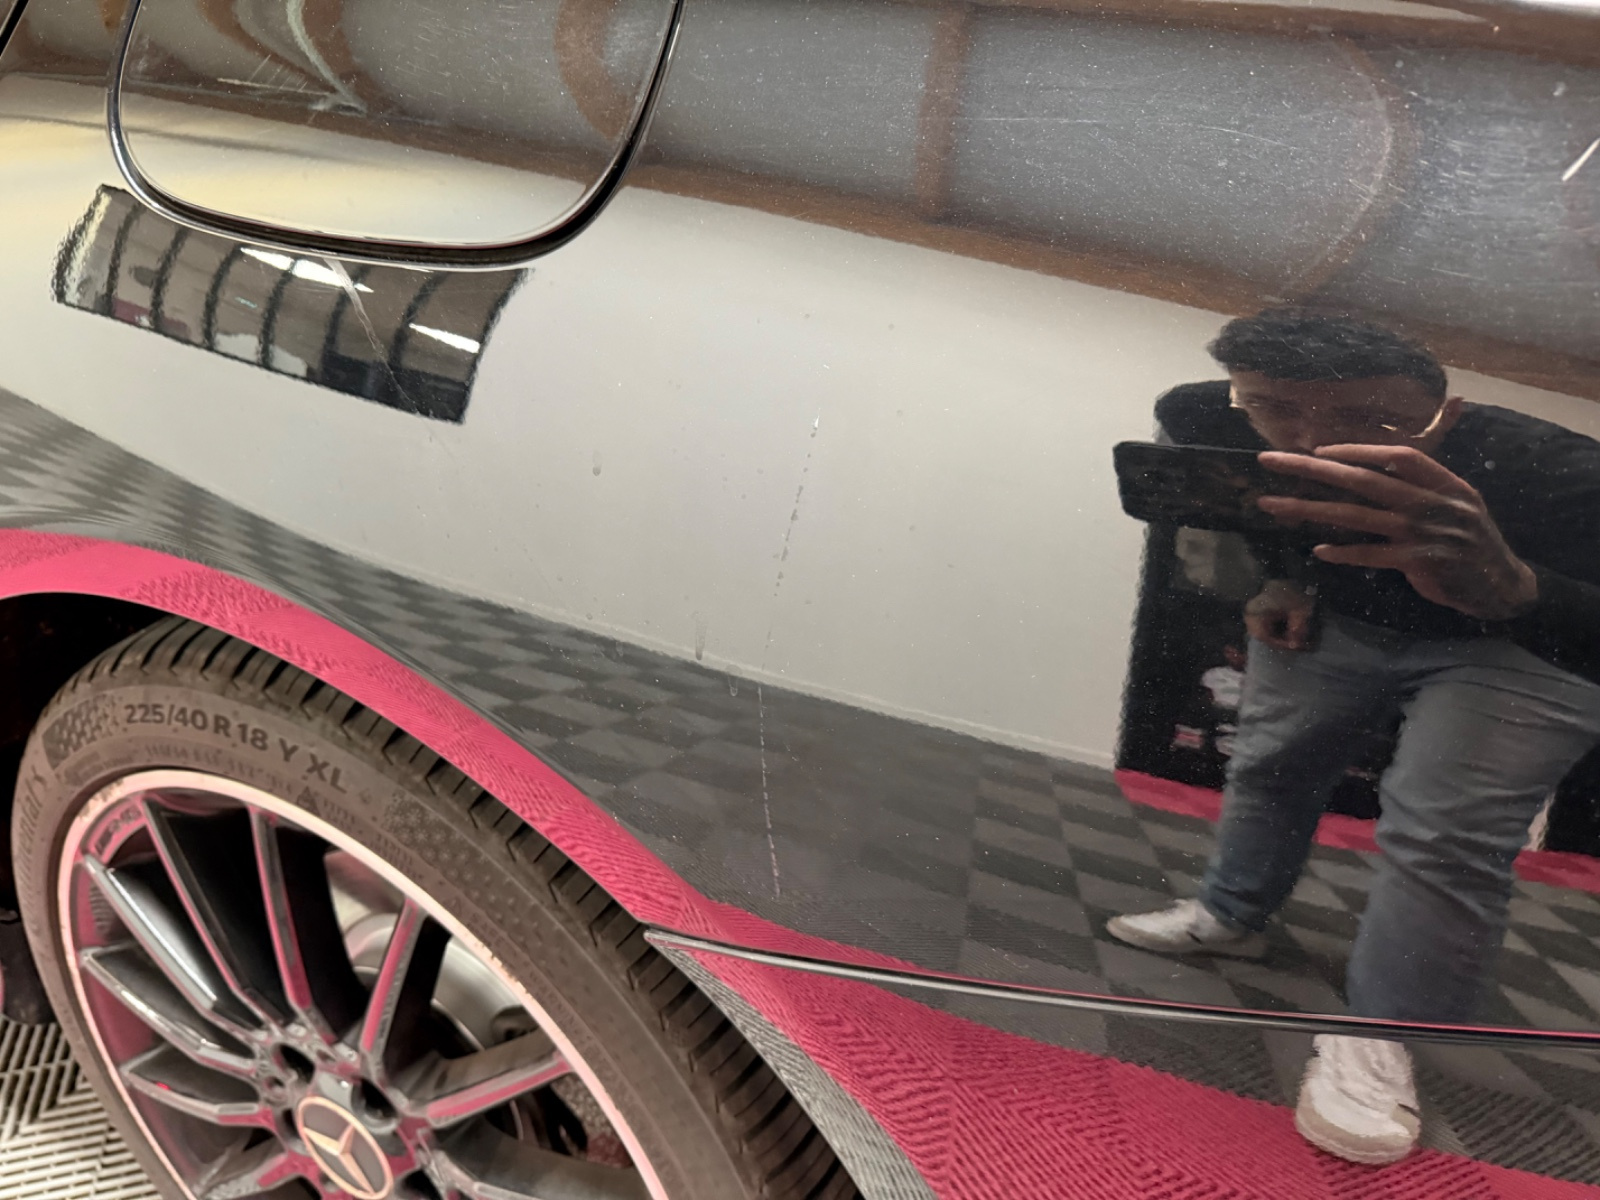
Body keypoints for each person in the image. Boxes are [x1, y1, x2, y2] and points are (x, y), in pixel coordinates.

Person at [1106, 309, 1600, 1165]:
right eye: (1275, 408)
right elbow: (1255, 510)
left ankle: (1380, 1039)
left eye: (1368, 418)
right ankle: (1231, 913)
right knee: (1269, 766)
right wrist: (1278, 583)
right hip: (1344, 619)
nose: (1314, 438)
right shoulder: (1204, 413)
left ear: (1443, 412)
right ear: (1240, 394)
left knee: (1446, 835)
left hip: (1522, 646)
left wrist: (1518, 588)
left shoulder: (1562, 472)